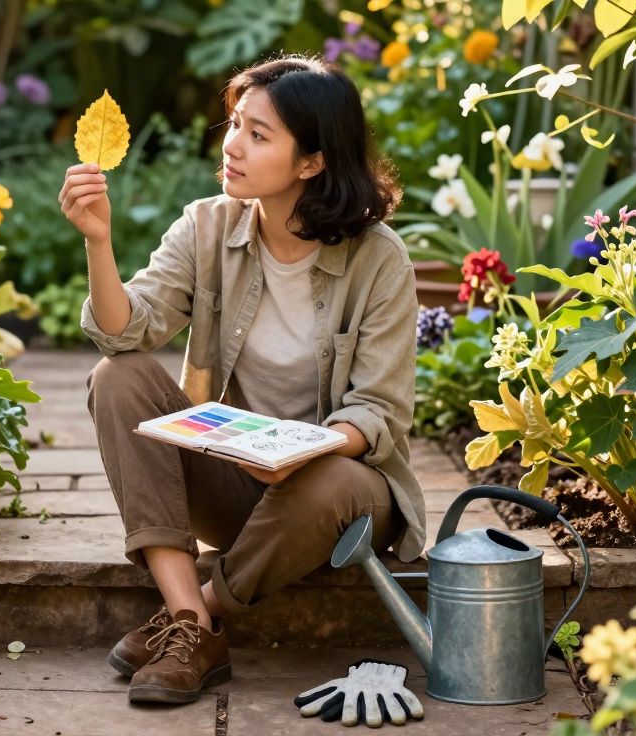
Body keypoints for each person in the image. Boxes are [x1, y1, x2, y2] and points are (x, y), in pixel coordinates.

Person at [58, 54, 427, 705]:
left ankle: (197, 612)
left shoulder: (379, 261)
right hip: (236, 483)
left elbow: (379, 413)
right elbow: (124, 332)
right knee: (119, 376)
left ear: (311, 162)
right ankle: (192, 626)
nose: (232, 146)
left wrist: (299, 455)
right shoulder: (207, 226)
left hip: (333, 501)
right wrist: (98, 241)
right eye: (234, 124)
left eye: (259, 135)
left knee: (333, 474)